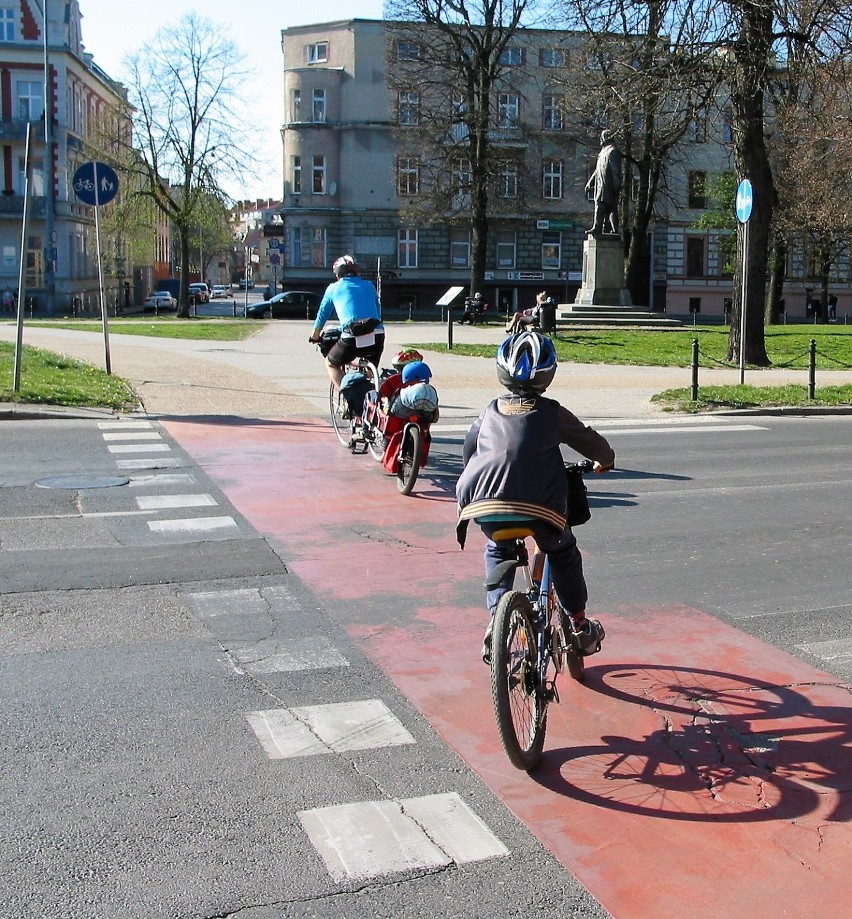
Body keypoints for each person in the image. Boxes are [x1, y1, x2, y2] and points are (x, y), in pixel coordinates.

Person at [455, 331, 615, 664]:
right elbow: (591, 443)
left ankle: (497, 620)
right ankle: (580, 623)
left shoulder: (488, 411)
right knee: (564, 551)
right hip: (540, 509)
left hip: (485, 506)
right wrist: (606, 460)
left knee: (498, 547)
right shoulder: (551, 412)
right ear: (549, 373)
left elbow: (469, 450)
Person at [308, 255, 385, 388]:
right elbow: (377, 312)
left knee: (331, 363)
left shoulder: (333, 288)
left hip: (352, 336)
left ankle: (349, 396)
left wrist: (315, 337)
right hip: (377, 333)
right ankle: (374, 399)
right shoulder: (369, 285)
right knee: (371, 371)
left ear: (337, 273)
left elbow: (322, 315)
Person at [585, 129, 622, 236]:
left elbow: (616, 171)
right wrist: (590, 182)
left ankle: (600, 228)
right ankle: (603, 228)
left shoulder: (613, 151)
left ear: (606, 138)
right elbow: (597, 170)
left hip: (608, 185)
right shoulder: (603, 152)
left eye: (602, 137)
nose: (600, 140)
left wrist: (616, 186)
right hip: (601, 184)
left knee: (607, 207)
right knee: (607, 207)